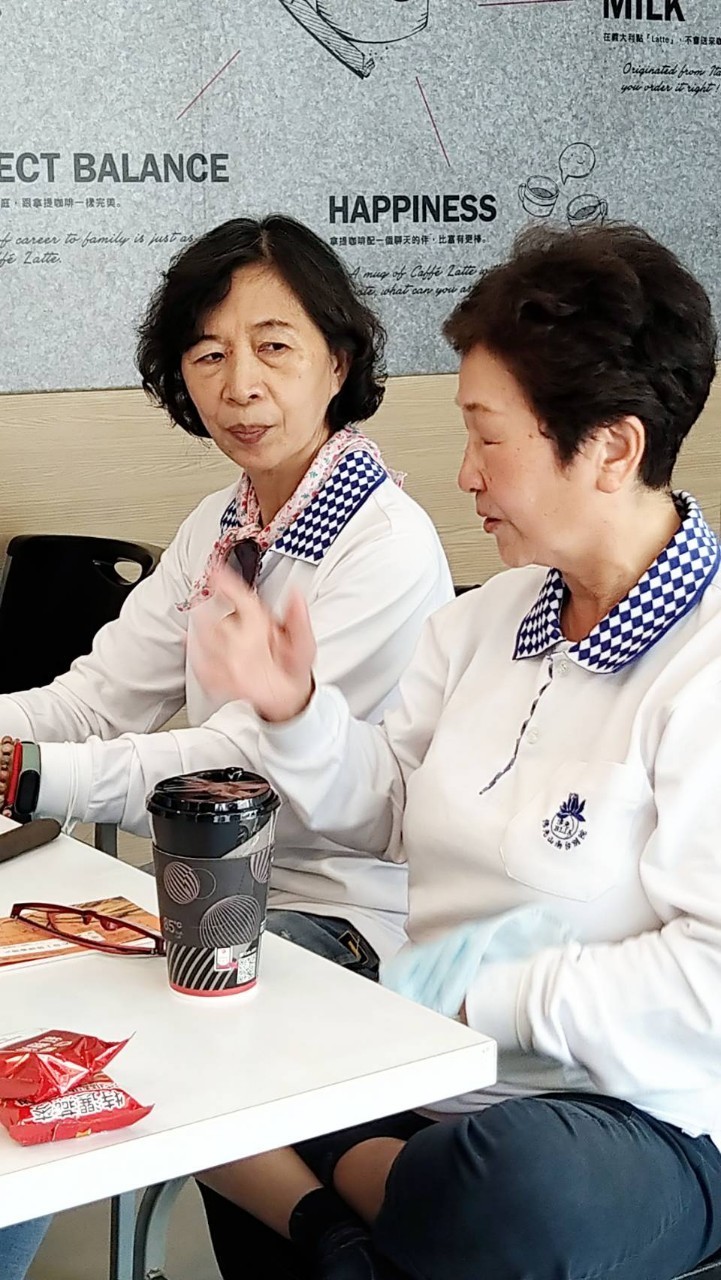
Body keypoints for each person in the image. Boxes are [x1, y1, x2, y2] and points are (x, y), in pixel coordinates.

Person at [192, 223, 721, 1280]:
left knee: (519, 1186)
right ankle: (351, 1229)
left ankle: (330, 1201)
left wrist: (482, 990)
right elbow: (387, 809)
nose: (465, 474)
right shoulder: (485, 620)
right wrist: (294, 708)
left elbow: (705, 984)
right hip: (431, 1065)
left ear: (612, 449)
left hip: (631, 1113)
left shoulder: (700, 666)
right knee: (211, 997)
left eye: (489, 437)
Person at [0, 214, 452, 976]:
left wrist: (26, 773)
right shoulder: (219, 524)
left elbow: (239, 771)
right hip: (205, 891)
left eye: (273, 348)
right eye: (209, 354)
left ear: (336, 364)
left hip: (341, 917)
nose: (239, 386)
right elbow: (97, 702)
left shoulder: (385, 543)